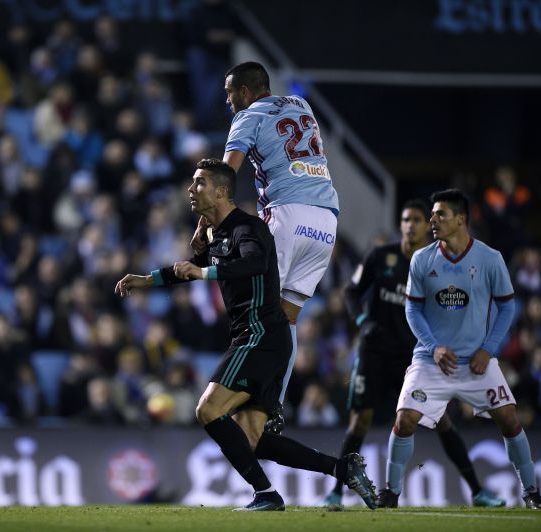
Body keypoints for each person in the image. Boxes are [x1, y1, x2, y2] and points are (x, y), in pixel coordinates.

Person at [115, 159, 377, 511]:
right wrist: (147, 280)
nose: (191, 190)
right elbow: (186, 271)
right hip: (265, 340)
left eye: (199, 183)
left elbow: (253, 263)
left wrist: (204, 269)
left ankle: (266, 494)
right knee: (253, 440)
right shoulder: (217, 233)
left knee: (207, 410)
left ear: (222, 191)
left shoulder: (248, 228)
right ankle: (341, 468)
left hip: (259, 334)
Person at [323, 200, 506, 510]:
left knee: (443, 422)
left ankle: (477, 491)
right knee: (359, 422)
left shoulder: (434, 265)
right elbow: (352, 291)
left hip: (414, 356)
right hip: (375, 352)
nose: (411, 225)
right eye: (406, 219)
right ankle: (336, 493)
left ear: (427, 227)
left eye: (417, 220)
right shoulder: (381, 256)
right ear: (401, 225)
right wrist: (362, 322)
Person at [379, 189, 541, 510]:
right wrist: (434, 347)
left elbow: (507, 309)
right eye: (432, 214)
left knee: (509, 417)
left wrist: (488, 349)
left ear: (461, 219)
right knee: (404, 419)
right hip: (432, 361)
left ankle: (531, 492)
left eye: (440, 214)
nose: (432, 220)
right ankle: (390, 492)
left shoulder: (490, 259)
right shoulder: (422, 259)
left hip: (476, 362)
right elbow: (412, 310)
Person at [194, 61, 339, 433]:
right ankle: (275, 403)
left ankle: (256, 395)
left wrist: (204, 222)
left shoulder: (247, 117)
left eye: (229, 93)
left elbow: (224, 177)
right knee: (287, 317)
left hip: (287, 214)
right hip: (326, 220)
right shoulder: (301, 106)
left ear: (244, 91)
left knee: (259, 310)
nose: (228, 101)